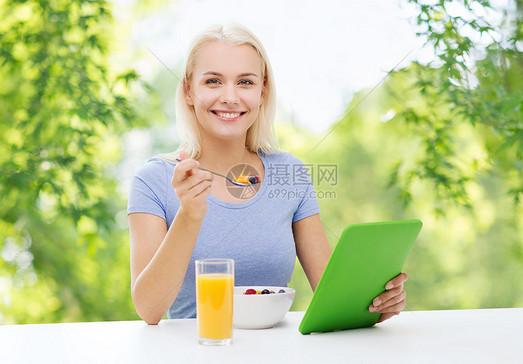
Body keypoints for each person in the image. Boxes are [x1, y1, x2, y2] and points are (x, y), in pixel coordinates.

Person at [127, 23, 408, 325]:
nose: (230, 97)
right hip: (197, 350)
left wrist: (377, 304)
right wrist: (189, 215)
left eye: (245, 82)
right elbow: (149, 309)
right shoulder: (153, 180)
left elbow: (334, 297)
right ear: (188, 91)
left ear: (262, 92)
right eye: (213, 81)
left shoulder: (290, 173)